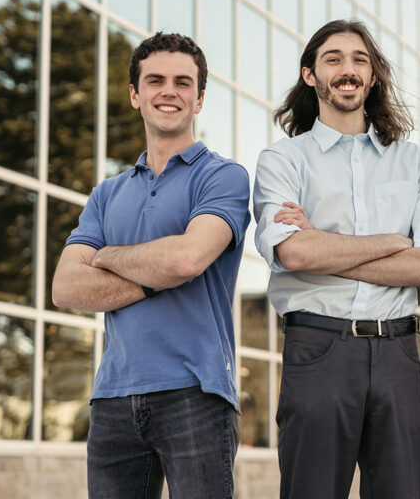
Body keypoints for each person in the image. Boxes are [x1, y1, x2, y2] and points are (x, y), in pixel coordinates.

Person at [252, 19, 420, 499]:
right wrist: (397, 242)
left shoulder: (413, 163)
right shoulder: (283, 160)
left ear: (373, 77)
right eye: (334, 59)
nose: (348, 69)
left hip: (399, 355)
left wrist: (326, 248)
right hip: (319, 349)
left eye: (359, 60)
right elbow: (295, 251)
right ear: (310, 75)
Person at [51, 32, 250, 499]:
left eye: (183, 82)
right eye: (155, 80)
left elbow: (187, 258)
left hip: (196, 394)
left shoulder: (222, 176)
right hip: (113, 397)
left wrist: (106, 258)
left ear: (199, 99)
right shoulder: (106, 194)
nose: (169, 91)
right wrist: (159, 271)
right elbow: (64, 288)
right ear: (135, 95)